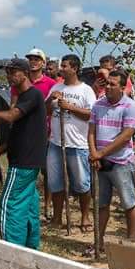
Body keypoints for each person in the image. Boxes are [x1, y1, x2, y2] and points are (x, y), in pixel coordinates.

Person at [0, 59, 47, 249]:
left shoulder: (32, 95)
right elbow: (18, 131)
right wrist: (0, 150)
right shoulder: (23, 98)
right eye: (8, 72)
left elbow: (11, 117)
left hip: (23, 162)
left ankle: (10, 250)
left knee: (9, 204)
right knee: (28, 206)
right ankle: (30, 248)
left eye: (13, 72)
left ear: (25, 73)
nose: (9, 76)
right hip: (29, 161)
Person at [88, 69, 135, 252]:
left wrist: (100, 154)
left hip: (121, 163)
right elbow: (91, 131)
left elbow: (126, 137)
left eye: (113, 84)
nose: (108, 87)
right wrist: (94, 153)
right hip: (100, 163)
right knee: (101, 203)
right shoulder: (97, 105)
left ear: (122, 87)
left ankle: (131, 241)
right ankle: (98, 241)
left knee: (128, 202)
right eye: (107, 83)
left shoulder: (131, 106)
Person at [47, 54, 97, 231]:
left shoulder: (86, 90)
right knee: (55, 182)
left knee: (82, 182)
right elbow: (46, 111)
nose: (62, 68)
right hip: (56, 143)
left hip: (77, 144)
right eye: (62, 65)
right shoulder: (56, 87)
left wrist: (70, 107)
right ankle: (57, 217)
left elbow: (91, 115)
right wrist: (50, 99)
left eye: (65, 66)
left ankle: (85, 217)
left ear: (75, 68)